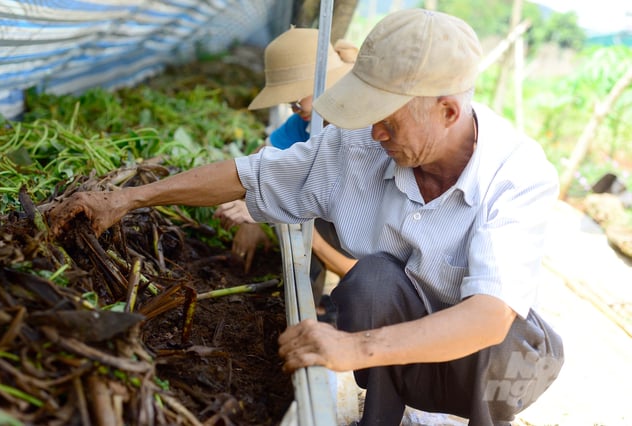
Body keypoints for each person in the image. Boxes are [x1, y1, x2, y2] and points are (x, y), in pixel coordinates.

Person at [48, 9, 564, 425]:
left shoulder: (516, 175)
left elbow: (489, 317)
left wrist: (353, 346)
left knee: (489, 346)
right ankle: (379, 419)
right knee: (374, 282)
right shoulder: (361, 145)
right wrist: (128, 199)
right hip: (416, 330)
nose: (375, 134)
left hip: (503, 362)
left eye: (388, 120)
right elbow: (250, 176)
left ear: (448, 112)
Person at [214, 27, 358, 311]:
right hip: (334, 231)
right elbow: (260, 159)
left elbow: (354, 270)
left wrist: (268, 214)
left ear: (326, 85)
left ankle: (328, 311)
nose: (293, 109)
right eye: (288, 103)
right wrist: (248, 210)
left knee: (311, 230)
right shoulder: (303, 122)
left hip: (358, 256)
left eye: (297, 100)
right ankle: (318, 305)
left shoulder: (358, 134)